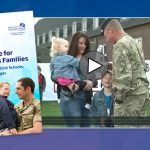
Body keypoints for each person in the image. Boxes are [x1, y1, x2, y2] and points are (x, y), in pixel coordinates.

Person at [102, 19, 149, 126]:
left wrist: (119, 99)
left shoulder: (120, 45)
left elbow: (124, 77)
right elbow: (137, 67)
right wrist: (112, 66)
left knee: (124, 135)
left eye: (105, 36)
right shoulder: (133, 41)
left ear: (110, 30)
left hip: (129, 99)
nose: (107, 40)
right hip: (141, 94)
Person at [51, 32, 97, 127]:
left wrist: (92, 82)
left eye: (85, 44)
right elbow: (54, 76)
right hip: (70, 99)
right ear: (74, 43)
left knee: (88, 131)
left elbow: (95, 78)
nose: (83, 46)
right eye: (80, 43)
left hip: (87, 99)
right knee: (75, 131)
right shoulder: (63, 56)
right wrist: (67, 83)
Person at [50, 37, 92, 109]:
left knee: (61, 86)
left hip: (61, 79)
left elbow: (52, 70)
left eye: (85, 44)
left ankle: (60, 97)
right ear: (58, 47)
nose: (68, 48)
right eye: (66, 46)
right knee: (85, 84)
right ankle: (88, 102)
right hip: (72, 79)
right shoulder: (68, 58)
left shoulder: (53, 59)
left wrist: (58, 75)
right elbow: (78, 64)